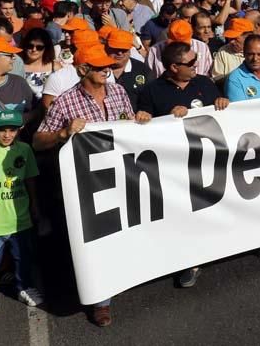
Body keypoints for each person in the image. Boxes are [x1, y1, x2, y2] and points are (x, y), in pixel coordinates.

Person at [34, 44, 149, 326]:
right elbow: (38, 141)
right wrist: (63, 132)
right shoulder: (65, 102)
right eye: (98, 67)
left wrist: (140, 120)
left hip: (122, 176)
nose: (105, 70)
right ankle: (101, 300)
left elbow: (128, 126)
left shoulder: (120, 92)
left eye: (107, 65)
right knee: (98, 237)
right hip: (88, 184)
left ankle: (127, 274)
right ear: (83, 70)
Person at [135, 42, 228, 290]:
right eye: (190, 62)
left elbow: (223, 114)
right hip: (175, 168)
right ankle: (190, 261)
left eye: (195, 59)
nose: (196, 64)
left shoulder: (205, 84)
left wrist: (221, 103)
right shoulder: (152, 91)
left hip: (210, 161)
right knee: (184, 216)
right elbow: (141, 129)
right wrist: (158, 118)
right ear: (174, 67)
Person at [0, 110, 42, 315]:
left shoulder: (25, 149)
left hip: (19, 217)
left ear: (19, 130)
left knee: (23, 256)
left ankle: (24, 287)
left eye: (12, 130)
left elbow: (30, 179)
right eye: (2, 130)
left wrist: (34, 205)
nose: (7, 135)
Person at [225, 35, 260, 103]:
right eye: (251, 54)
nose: (255, 59)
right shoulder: (235, 79)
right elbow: (239, 110)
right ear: (244, 54)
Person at [106, 29, 152, 111]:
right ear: (107, 48)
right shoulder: (96, 70)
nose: (119, 53)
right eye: (116, 49)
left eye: (124, 49)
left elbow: (152, 100)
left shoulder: (143, 70)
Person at [20, 27, 63, 101]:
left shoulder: (55, 67)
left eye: (39, 47)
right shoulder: (17, 65)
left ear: (46, 48)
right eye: (30, 46)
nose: (34, 49)